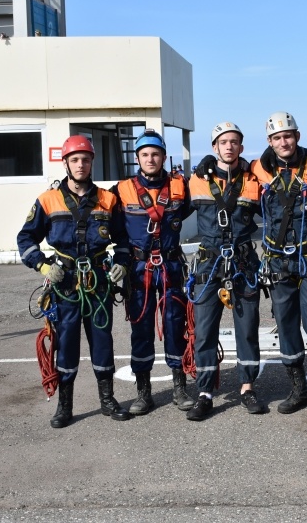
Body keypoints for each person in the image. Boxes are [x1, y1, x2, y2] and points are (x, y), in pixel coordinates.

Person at [17, 135, 132, 428]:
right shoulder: (48, 199)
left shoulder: (108, 199)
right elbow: (26, 238)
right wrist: (42, 266)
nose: (81, 164)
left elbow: (123, 241)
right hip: (65, 284)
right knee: (66, 344)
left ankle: (107, 400)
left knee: (103, 342)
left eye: (86, 159)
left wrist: (120, 263)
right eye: (75, 159)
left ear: (92, 162)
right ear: (66, 163)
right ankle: (64, 405)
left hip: (98, 283)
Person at [250, 111, 307, 415]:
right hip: (277, 262)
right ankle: (298, 390)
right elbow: (231, 180)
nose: (283, 141)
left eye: (288, 135)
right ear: (270, 142)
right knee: (286, 326)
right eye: (277, 138)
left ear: (298, 136)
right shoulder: (258, 170)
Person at [184, 122, 267, 420]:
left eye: (234, 142)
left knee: (247, 331)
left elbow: (280, 210)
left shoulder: (253, 181)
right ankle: (205, 393)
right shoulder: (195, 181)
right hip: (209, 265)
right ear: (214, 147)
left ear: (241, 148)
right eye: (223, 142)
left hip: (243, 265)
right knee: (205, 332)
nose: (229, 146)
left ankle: (247, 387)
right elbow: (169, 213)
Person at [110, 129, 194, 415]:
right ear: (137, 158)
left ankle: (179, 388)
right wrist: (119, 261)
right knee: (141, 327)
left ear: (163, 156)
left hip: (171, 266)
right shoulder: (121, 191)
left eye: (155, 154)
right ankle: (144, 393)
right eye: (144, 154)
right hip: (138, 268)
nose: (150, 159)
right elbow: (114, 231)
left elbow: (202, 204)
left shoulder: (181, 187)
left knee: (175, 324)